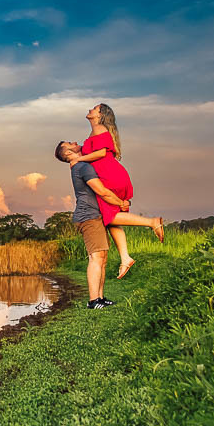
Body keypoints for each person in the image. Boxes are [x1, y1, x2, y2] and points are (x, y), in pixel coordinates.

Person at [67, 104, 164, 279]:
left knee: (108, 216)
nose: (90, 109)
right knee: (109, 219)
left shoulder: (99, 128)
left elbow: (101, 153)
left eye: (94, 108)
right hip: (109, 174)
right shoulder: (94, 131)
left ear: (100, 115)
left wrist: (79, 159)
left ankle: (152, 222)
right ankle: (125, 258)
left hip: (109, 175)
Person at [54, 140, 130, 309]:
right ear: (68, 153)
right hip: (89, 217)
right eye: (70, 143)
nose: (75, 142)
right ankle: (93, 301)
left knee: (102, 258)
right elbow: (101, 191)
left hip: (95, 216)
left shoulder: (81, 165)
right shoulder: (83, 167)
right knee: (96, 258)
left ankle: (100, 298)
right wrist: (121, 203)